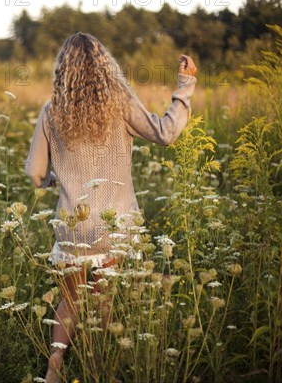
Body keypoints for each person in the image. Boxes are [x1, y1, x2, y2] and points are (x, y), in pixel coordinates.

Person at [24, 32, 197, 382]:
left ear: (63, 71)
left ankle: (54, 367)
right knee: (104, 301)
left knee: (70, 301)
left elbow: (35, 171)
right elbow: (165, 133)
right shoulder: (119, 102)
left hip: (73, 225)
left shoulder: (51, 111)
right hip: (113, 227)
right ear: (106, 66)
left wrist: (52, 181)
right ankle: (105, 369)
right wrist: (185, 85)